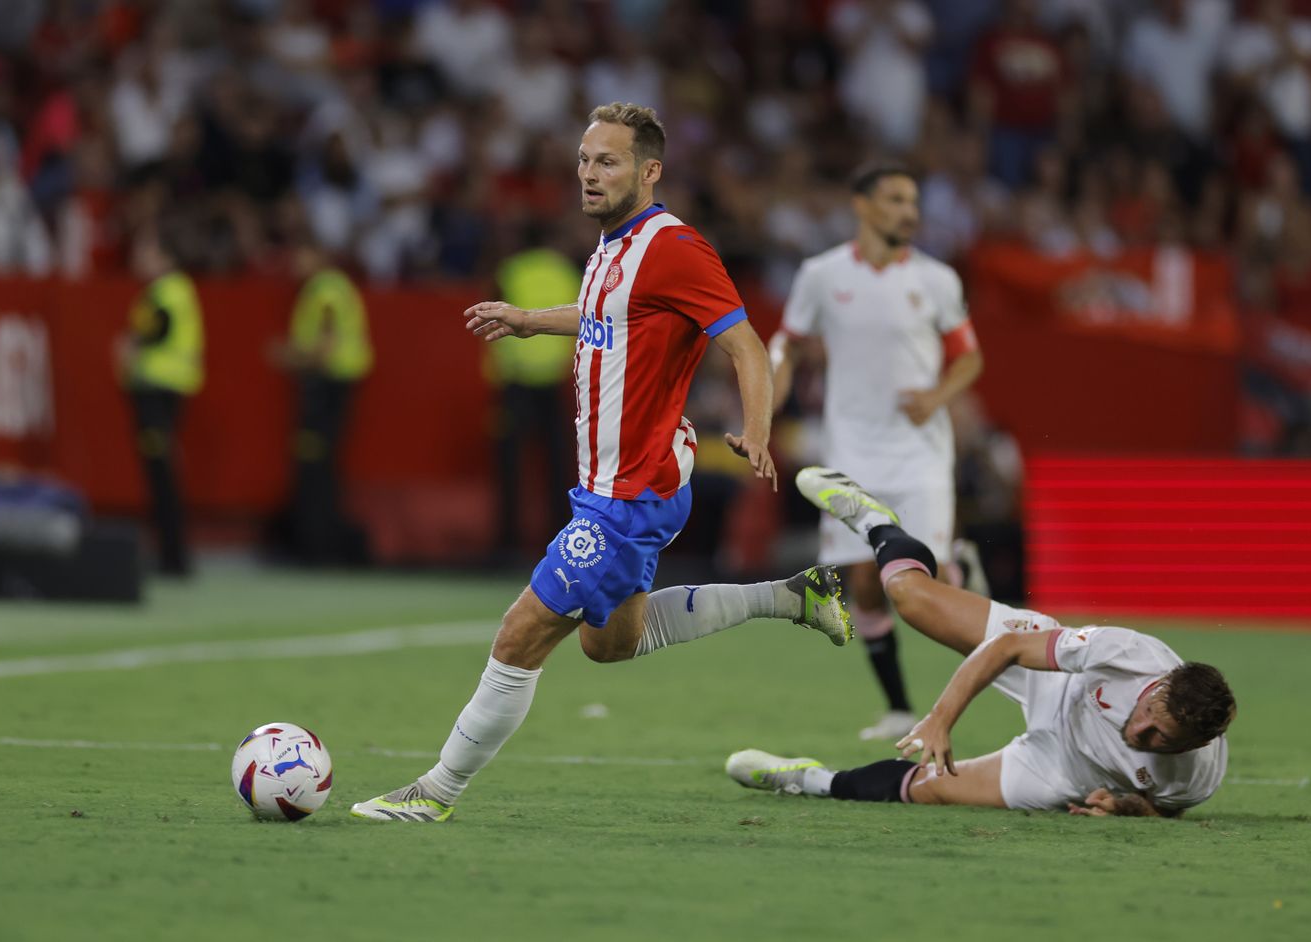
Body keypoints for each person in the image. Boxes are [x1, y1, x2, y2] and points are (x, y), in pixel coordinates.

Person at [351, 103, 855, 824]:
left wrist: (756, 430)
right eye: (585, 160)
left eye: (607, 162)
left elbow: (744, 344)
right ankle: (792, 597)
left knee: (520, 633)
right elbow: (606, 317)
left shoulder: (673, 246)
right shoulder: (612, 247)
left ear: (649, 172)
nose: (589, 174)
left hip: (630, 492)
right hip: (613, 484)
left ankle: (434, 794)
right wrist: (530, 321)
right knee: (609, 643)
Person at [727, 467, 1235, 818]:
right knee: (909, 598)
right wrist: (941, 719)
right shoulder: (1129, 655)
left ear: (1193, 744)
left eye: (1156, 738)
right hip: (1054, 683)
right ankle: (875, 522)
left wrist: (1130, 808)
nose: (1137, 728)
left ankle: (805, 780)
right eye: (1147, 710)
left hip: (1060, 772)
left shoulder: (1199, 775)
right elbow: (1007, 650)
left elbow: (1164, 806)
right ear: (1160, 683)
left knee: (924, 791)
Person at [770, 165, 985, 742]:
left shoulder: (937, 279)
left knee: (921, 588)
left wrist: (936, 396)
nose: (908, 211)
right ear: (861, 206)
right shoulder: (822, 275)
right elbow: (787, 342)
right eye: (895, 200)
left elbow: (968, 356)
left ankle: (958, 566)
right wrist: (771, 387)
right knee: (865, 582)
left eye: (912, 200)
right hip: (851, 453)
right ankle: (896, 708)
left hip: (919, 452)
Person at [271, 241, 373, 565]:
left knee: (314, 463)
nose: (294, 261)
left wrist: (289, 356)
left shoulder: (323, 289)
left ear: (316, 254)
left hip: (327, 384)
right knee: (321, 463)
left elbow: (325, 345)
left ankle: (314, 546)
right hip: (336, 383)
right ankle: (319, 543)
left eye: (299, 253)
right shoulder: (339, 286)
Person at [486, 224, 582, 559]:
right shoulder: (567, 273)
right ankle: (564, 541)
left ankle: (507, 542)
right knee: (559, 464)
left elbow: (492, 322)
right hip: (553, 381)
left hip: (516, 381)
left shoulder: (511, 271)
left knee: (509, 466)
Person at [115, 227, 203, 577]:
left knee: (161, 471)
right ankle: (171, 553)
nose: (139, 258)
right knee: (160, 471)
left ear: (166, 257)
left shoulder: (169, 291)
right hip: (161, 388)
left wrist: (129, 345)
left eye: (147, 251)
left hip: (159, 388)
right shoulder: (169, 291)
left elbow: (155, 330)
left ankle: (173, 556)